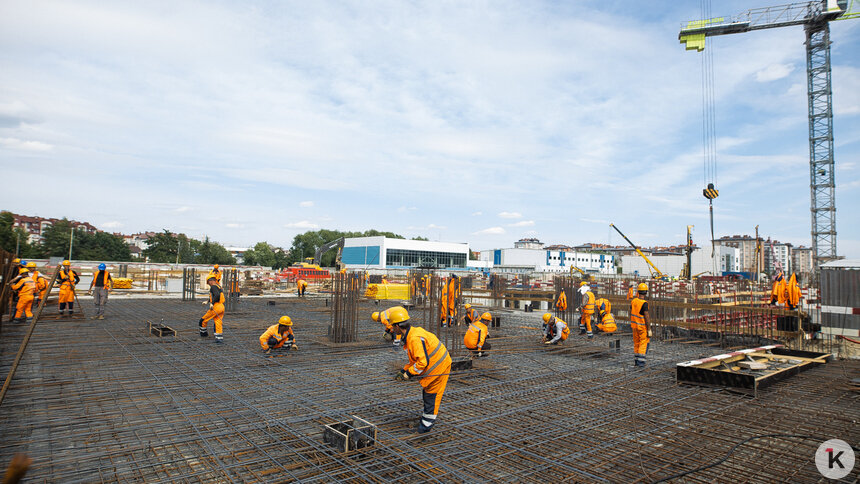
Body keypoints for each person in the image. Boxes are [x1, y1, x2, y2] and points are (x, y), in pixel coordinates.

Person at [390, 307, 451, 434]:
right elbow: (415, 359)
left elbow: (422, 363)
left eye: (392, 326)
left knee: (432, 396)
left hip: (439, 366)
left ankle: (425, 427)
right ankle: (425, 419)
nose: (391, 329)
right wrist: (404, 370)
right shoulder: (412, 334)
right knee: (427, 393)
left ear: (397, 326)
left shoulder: (414, 339)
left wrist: (408, 374)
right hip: (436, 363)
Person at [630, 283, 652, 368]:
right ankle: (641, 363)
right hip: (642, 327)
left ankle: (636, 361)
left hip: (634, 326)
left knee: (636, 343)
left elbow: (631, 312)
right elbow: (646, 317)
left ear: (638, 292)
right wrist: (649, 329)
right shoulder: (644, 303)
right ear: (646, 292)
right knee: (643, 344)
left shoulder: (633, 301)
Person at [198, 277, 225, 343]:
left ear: (211, 281)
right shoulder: (218, 286)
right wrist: (207, 301)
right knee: (218, 321)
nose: (208, 284)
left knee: (203, 320)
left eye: (208, 282)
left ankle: (204, 335)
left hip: (216, 307)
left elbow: (217, 295)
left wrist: (212, 303)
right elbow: (215, 296)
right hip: (222, 306)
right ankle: (219, 338)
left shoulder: (213, 287)